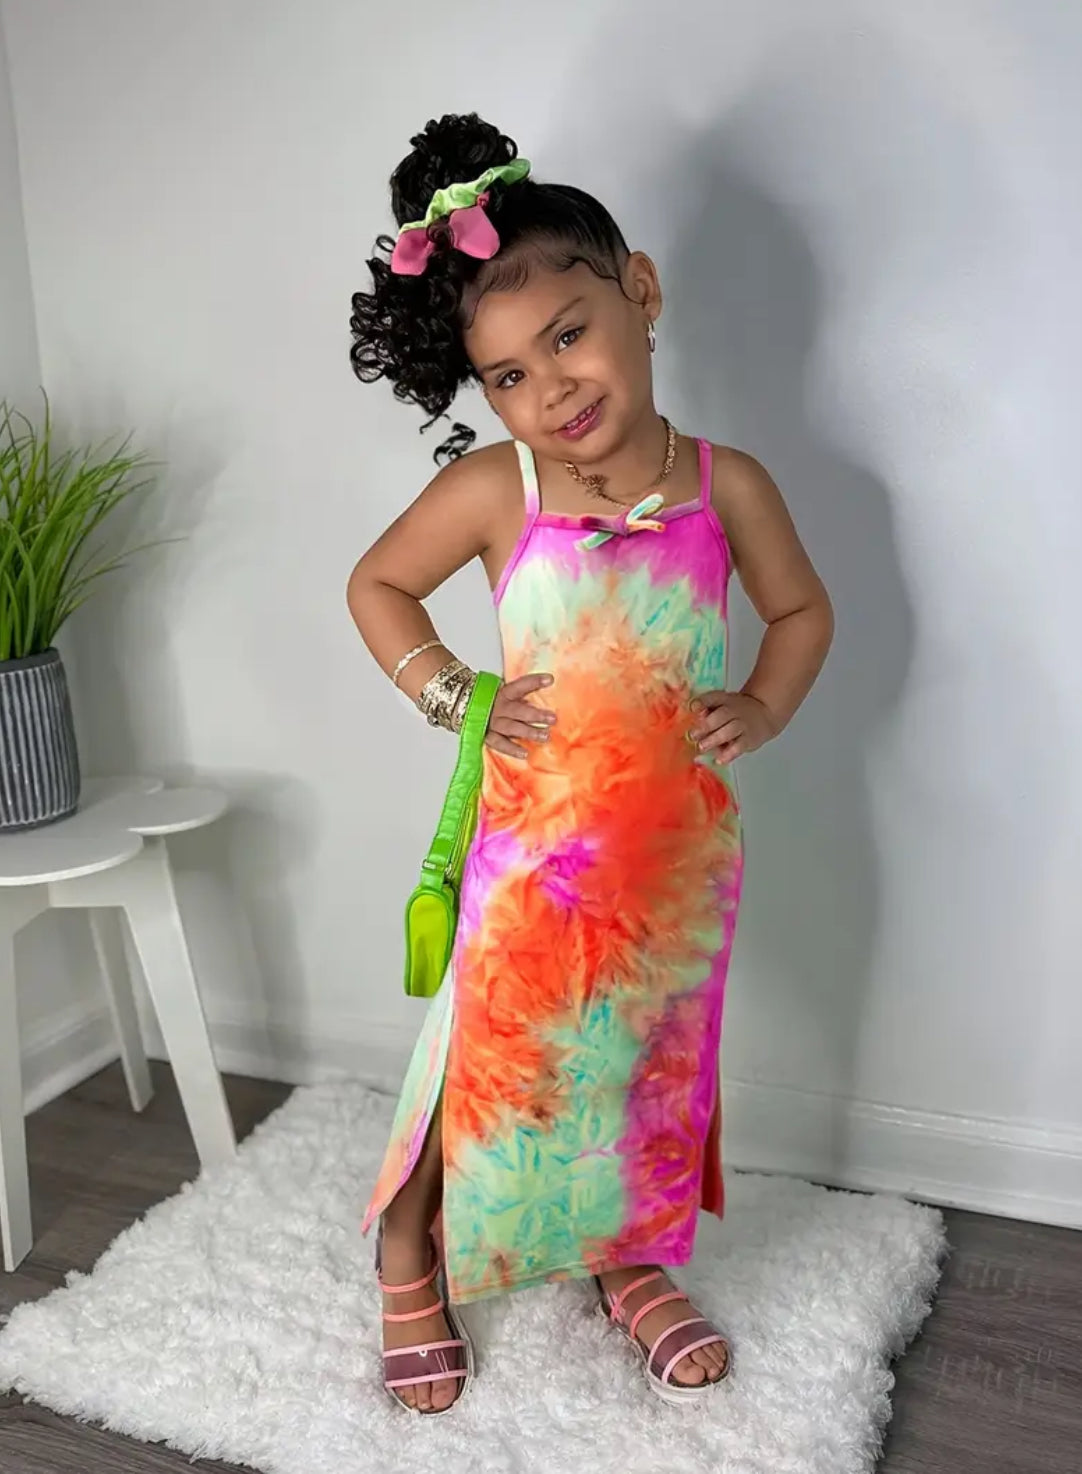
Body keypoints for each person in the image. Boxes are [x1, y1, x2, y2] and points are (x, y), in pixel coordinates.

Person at [346, 113, 833, 1416]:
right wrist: (452, 692)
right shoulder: (498, 492)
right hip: (530, 863)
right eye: (506, 374)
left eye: (567, 335)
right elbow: (378, 584)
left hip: (671, 864)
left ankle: (623, 1253)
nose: (549, 388)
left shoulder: (728, 485)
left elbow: (801, 611)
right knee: (486, 1064)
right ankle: (409, 1244)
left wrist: (763, 703)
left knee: (635, 1068)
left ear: (641, 294)